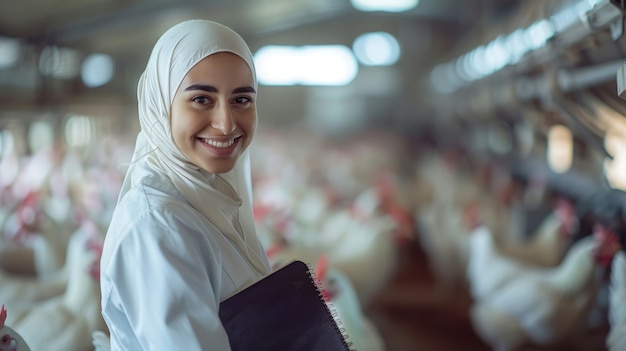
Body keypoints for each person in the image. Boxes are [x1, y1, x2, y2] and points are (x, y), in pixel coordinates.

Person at [99, 19, 272, 350]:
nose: (226, 124)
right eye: (202, 99)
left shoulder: (210, 199)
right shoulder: (158, 224)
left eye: (242, 100)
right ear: (161, 105)